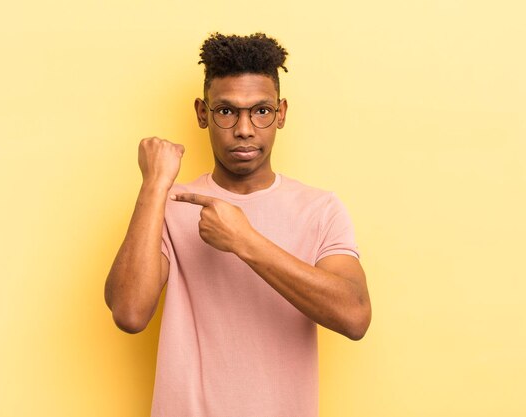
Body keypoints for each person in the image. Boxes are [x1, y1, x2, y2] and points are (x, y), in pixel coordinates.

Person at [104, 32, 372, 417]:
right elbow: (129, 313)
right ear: (202, 113)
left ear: (280, 113)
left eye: (260, 111)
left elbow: (355, 315)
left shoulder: (320, 209)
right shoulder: (169, 204)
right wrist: (153, 185)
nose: (244, 128)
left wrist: (244, 240)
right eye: (227, 111)